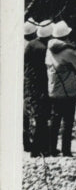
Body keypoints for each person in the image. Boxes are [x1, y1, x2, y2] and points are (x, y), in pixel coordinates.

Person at [45, 20, 76, 157]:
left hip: (53, 91)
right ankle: (66, 150)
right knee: (67, 122)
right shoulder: (68, 52)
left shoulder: (49, 50)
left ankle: (51, 150)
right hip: (68, 91)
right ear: (66, 36)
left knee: (54, 121)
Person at [24, 21, 53, 157]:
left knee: (39, 117)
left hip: (31, 85)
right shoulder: (43, 48)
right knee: (42, 118)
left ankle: (41, 147)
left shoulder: (31, 45)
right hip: (41, 86)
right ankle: (39, 149)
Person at [23, 20, 38, 151]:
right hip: (29, 82)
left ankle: (25, 141)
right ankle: (29, 142)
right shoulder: (33, 47)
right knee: (30, 112)